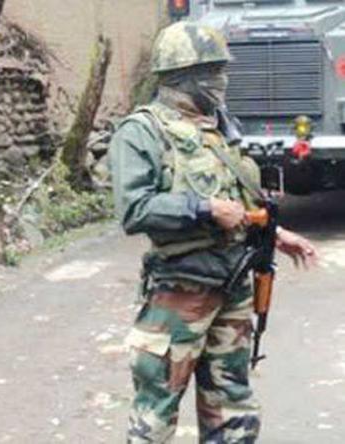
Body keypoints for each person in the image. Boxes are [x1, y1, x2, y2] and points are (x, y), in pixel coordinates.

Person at [110, 22, 319, 443]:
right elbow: (134, 209)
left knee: (232, 407)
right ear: (184, 77)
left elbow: (238, 197)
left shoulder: (219, 128)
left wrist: (275, 232)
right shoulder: (142, 132)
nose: (222, 80)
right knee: (156, 412)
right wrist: (203, 208)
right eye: (213, 72)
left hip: (233, 284)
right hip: (180, 291)